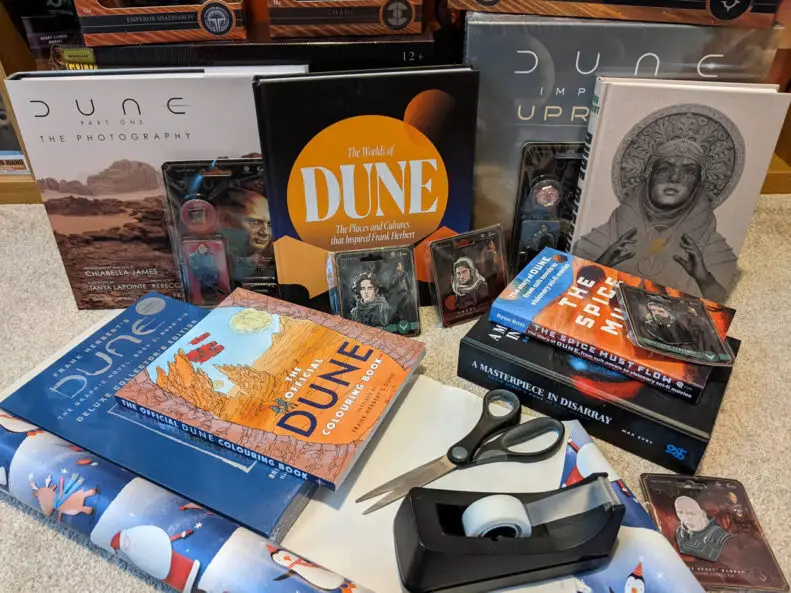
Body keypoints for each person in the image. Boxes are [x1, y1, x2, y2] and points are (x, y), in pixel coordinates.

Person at [575, 109, 741, 302]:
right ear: (649, 174)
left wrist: (703, 277)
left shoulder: (712, 246)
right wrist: (602, 264)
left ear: (698, 182)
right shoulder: (610, 233)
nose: (675, 177)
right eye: (664, 169)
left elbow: (719, 302)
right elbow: (569, 288)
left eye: (688, 172)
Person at [675, 496, 733, 562]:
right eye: (680, 512)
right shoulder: (680, 532)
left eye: (691, 513)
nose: (685, 518)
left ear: (703, 513)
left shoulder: (719, 535)